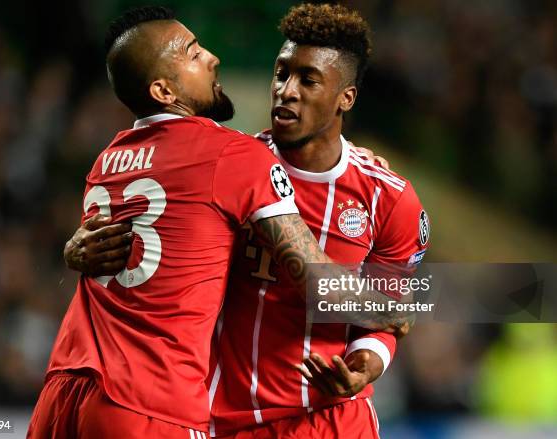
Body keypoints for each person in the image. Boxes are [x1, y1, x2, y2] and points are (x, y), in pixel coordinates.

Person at [29, 5, 409, 439]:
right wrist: (396, 309)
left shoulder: (109, 158)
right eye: (193, 54)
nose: (213, 58)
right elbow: (315, 281)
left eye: (307, 79)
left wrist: (69, 250)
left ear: (347, 97)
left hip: (63, 388)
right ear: (164, 90)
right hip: (152, 403)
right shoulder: (235, 157)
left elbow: (130, 246)